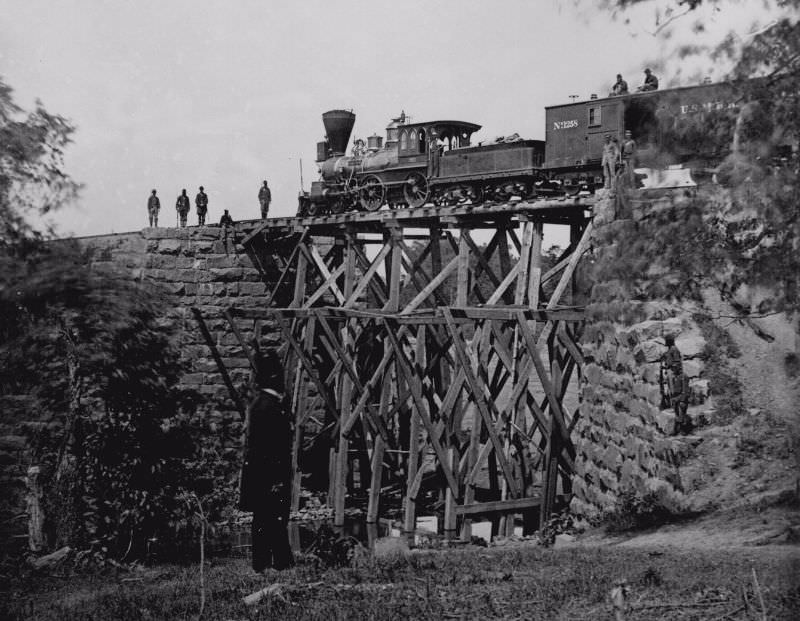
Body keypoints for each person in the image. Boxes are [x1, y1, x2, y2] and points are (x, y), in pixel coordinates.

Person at [239, 349, 294, 572]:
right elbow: (268, 447)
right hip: (269, 474)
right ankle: (273, 563)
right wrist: (275, 480)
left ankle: (272, 562)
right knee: (271, 518)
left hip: (263, 474)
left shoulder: (264, 403)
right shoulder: (268, 406)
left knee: (267, 519)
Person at [662, 334, 692, 434]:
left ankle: (682, 426)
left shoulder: (674, 350)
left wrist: (672, 366)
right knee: (671, 390)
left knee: (679, 401)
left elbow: (677, 362)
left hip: (673, 371)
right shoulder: (670, 349)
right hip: (671, 371)